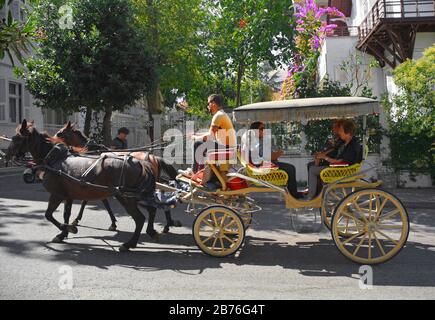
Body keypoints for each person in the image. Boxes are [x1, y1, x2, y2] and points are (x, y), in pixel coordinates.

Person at [243, 121, 302, 199]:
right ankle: (293, 196)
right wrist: (280, 153)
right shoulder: (255, 142)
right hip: (262, 168)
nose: (264, 130)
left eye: (264, 128)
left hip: (264, 165)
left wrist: (275, 154)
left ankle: (292, 193)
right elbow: (270, 157)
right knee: (291, 168)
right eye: (262, 128)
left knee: (289, 168)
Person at [307, 119, 362, 199]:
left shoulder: (353, 145)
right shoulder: (345, 142)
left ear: (348, 132)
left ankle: (310, 197)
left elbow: (340, 161)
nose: (339, 132)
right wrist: (322, 156)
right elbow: (336, 153)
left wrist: (324, 157)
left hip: (341, 170)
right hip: (337, 167)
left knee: (312, 170)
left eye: (341, 130)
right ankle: (315, 191)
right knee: (313, 166)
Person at [183, 94, 236, 175]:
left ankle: (194, 171)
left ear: (213, 103)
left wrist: (194, 137)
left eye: (208, 103)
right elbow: (211, 133)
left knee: (197, 144)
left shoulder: (218, 116)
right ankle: (202, 171)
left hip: (226, 148)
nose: (208, 106)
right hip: (227, 147)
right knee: (202, 145)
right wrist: (195, 134)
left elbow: (209, 137)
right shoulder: (221, 114)